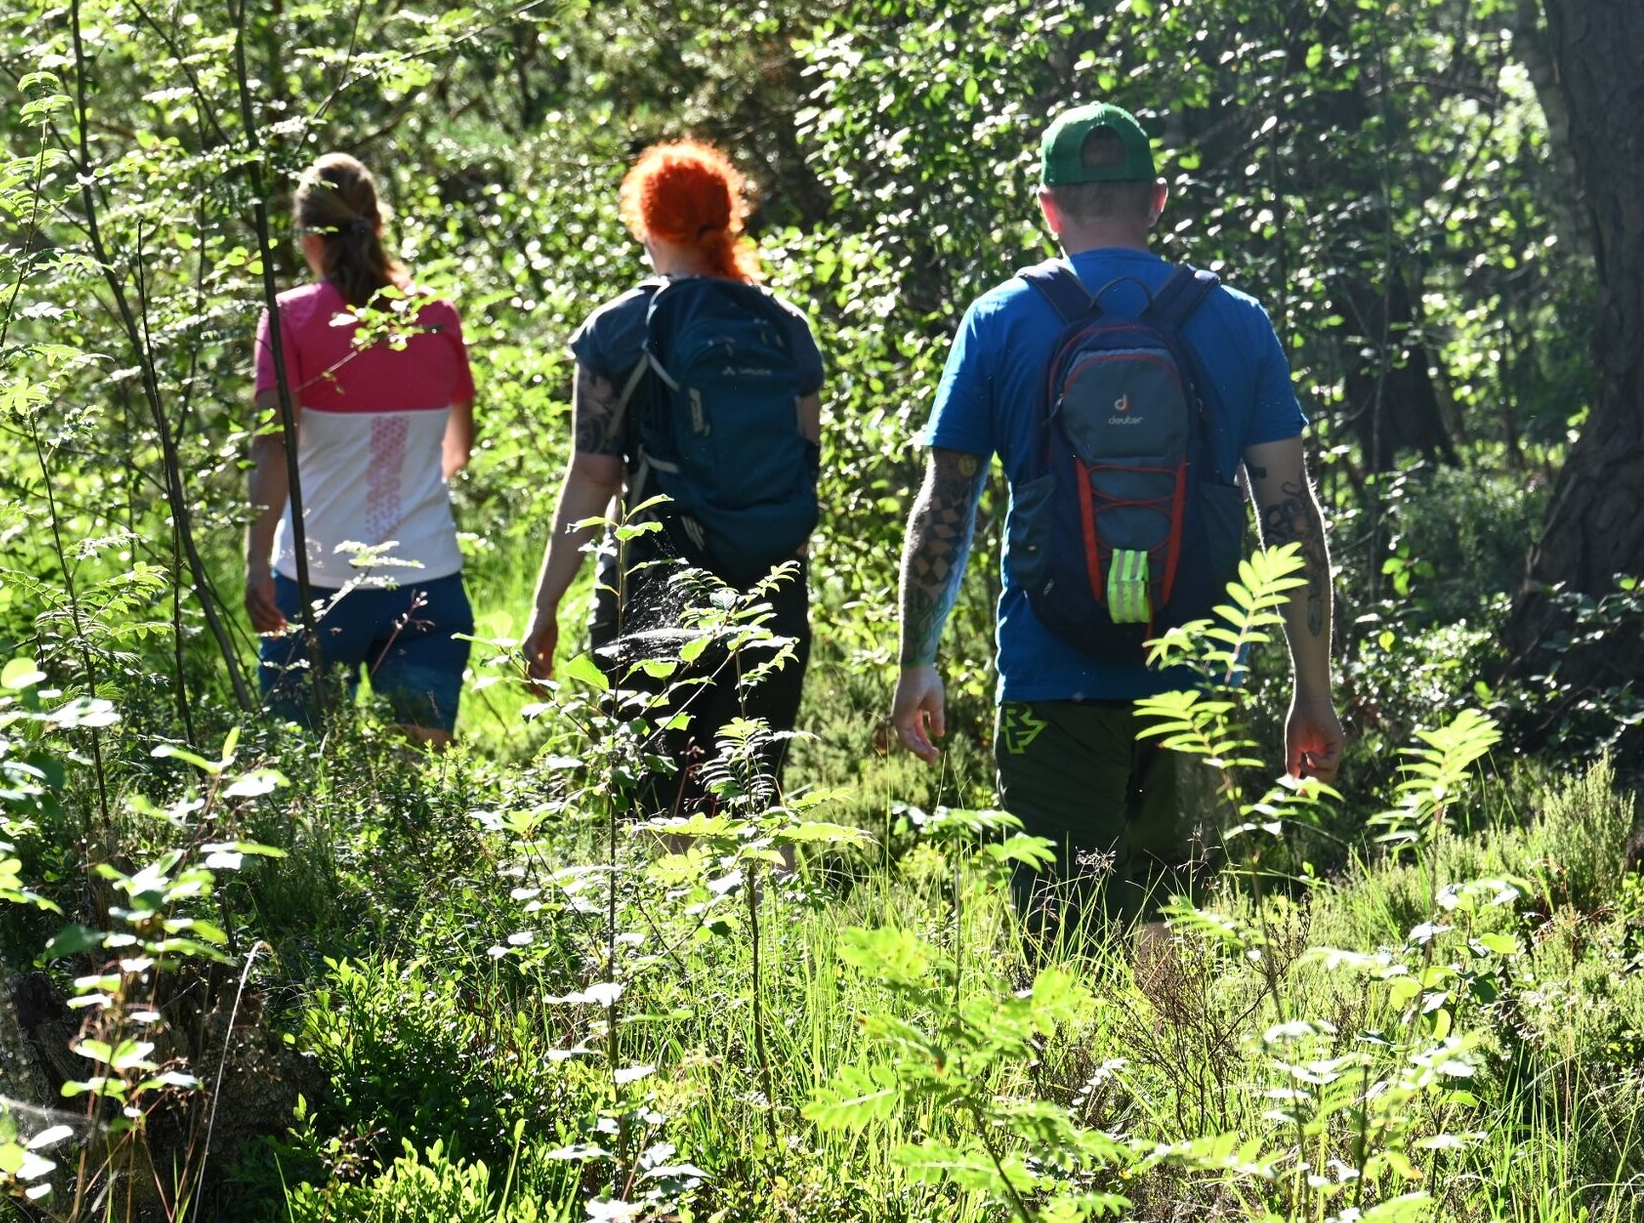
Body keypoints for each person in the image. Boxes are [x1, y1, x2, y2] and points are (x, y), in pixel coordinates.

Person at [886, 102, 1345, 929]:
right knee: (1174, 938)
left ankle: (1072, 1019)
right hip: (1196, 679)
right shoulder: (1236, 321)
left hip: (1049, 678)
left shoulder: (999, 320)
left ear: (1047, 208)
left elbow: (944, 505)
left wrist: (918, 660)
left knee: (1062, 935)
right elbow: (1290, 513)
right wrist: (1312, 688)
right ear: (1157, 201)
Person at [520, 140, 824, 815]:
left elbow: (594, 474)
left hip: (655, 585)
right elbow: (806, 466)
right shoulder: (784, 328)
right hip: (772, 588)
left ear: (646, 222)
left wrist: (545, 608)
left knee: (660, 803)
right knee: (753, 793)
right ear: (729, 217)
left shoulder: (618, 330)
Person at [245, 153, 477, 745]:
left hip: (315, 583)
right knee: (418, 780)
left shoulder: (288, 318)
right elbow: (457, 451)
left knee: (299, 771)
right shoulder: (435, 317)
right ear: (377, 223)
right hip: (428, 583)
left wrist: (255, 565)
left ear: (307, 235)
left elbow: (274, 451)